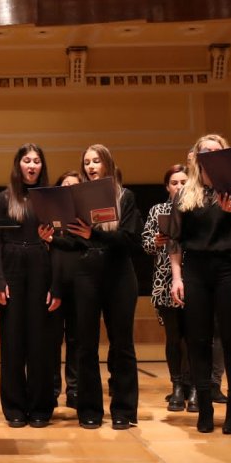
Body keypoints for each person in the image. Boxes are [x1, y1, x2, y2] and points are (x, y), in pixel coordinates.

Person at [169, 134, 231, 434]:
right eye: (205, 151)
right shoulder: (185, 194)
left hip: (229, 269)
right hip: (195, 271)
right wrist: (177, 279)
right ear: (196, 157)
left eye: (217, 151)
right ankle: (204, 407)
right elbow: (175, 243)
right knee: (197, 340)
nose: (211, 155)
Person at [62, 145, 143, 430]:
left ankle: (123, 409)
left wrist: (93, 233)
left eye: (96, 161)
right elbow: (75, 242)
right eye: (86, 162)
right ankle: (89, 409)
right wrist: (50, 238)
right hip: (87, 274)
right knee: (85, 346)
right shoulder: (78, 199)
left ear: (107, 164)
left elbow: (132, 242)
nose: (91, 166)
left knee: (121, 345)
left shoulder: (125, 196)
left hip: (119, 274)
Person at [0, 143, 62, 428]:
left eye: (36, 161)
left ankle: (42, 407)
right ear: (18, 165)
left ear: (42, 166)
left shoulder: (51, 199)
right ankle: (15, 407)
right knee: (12, 342)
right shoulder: (3, 199)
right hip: (12, 270)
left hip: (42, 267)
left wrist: (56, 285)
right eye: (26, 161)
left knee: (40, 343)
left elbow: (59, 246)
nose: (31, 166)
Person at [142, 164, 193, 413]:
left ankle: (194, 386)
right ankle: (177, 387)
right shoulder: (157, 210)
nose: (179, 186)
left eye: (184, 181)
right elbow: (145, 245)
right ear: (167, 187)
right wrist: (156, 241)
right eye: (175, 182)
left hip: (193, 277)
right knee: (173, 336)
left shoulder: (196, 208)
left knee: (193, 336)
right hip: (164, 281)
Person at [49, 170, 83, 409]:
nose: (69, 189)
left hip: (80, 285)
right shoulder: (48, 215)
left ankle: (74, 389)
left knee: (76, 340)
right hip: (52, 285)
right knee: (52, 341)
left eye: (74, 185)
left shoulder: (85, 217)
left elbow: (80, 245)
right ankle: (51, 389)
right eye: (65, 185)